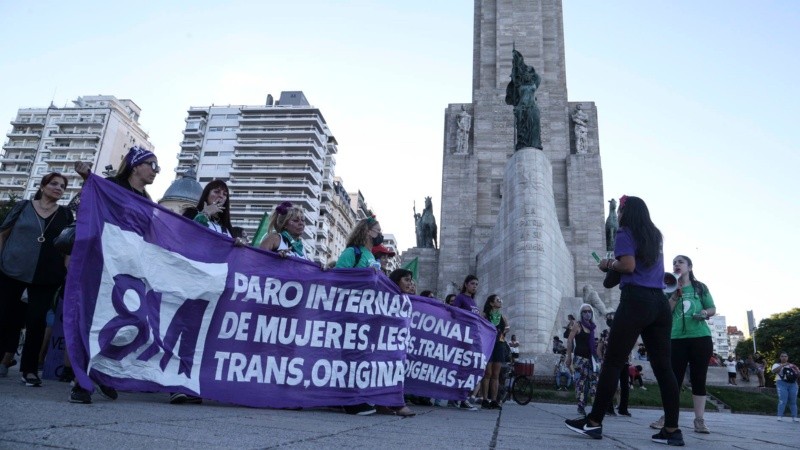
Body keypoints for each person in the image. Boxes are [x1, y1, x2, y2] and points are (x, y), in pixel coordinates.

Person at [565, 195, 684, 446]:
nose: (617, 214)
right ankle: (672, 429)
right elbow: (634, 268)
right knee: (664, 368)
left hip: (636, 301)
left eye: (620, 210)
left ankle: (594, 422)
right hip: (659, 304)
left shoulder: (625, 232)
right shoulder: (655, 235)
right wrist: (612, 270)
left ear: (626, 212)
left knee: (613, 362)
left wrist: (609, 263)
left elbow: (628, 266)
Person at [0, 173, 74, 386]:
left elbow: (69, 246)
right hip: (11, 270)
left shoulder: (65, 214)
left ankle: (29, 370)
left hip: (46, 276)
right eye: (54, 183)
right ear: (42, 186)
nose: (58, 188)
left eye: (62, 186)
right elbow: (3, 234)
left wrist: (66, 270)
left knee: (36, 322)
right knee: (4, 317)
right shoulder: (23, 207)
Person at [650, 255, 716, 434]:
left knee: (698, 379)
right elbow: (664, 313)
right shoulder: (667, 287)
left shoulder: (700, 287)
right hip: (676, 338)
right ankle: (668, 417)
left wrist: (704, 312)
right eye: (674, 263)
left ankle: (699, 420)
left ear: (690, 266)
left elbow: (712, 309)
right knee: (673, 380)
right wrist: (674, 296)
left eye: (680, 262)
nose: (676, 264)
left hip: (700, 338)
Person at [566, 303, 599, 417]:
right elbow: (570, 340)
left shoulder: (592, 327)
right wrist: (568, 356)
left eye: (589, 311)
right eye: (584, 311)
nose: (587, 313)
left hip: (591, 359)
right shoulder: (578, 325)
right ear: (581, 313)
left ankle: (595, 406)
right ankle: (581, 405)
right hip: (580, 359)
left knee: (594, 382)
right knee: (580, 382)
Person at [479, 294, 509, 409]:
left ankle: (494, 400)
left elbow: (507, 327)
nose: (500, 301)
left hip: (499, 345)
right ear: (491, 303)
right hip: (488, 345)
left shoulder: (503, 317)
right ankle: (485, 399)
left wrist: (505, 330)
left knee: (496, 374)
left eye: (500, 299)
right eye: (498, 300)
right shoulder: (485, 315)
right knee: (487, 373)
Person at [771, 351, 799, 422]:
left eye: (785, 356)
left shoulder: (792, 365)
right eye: (782, 356)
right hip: (781, 383)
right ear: (780, 357)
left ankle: (794, 417)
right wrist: (782, 365)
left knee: (793, 401)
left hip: (793, 384)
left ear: (787, 357)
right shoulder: (776, 364)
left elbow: (798, 373)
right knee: (782, 400)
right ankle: (780, 416)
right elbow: (774, 371)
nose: (784, 358)